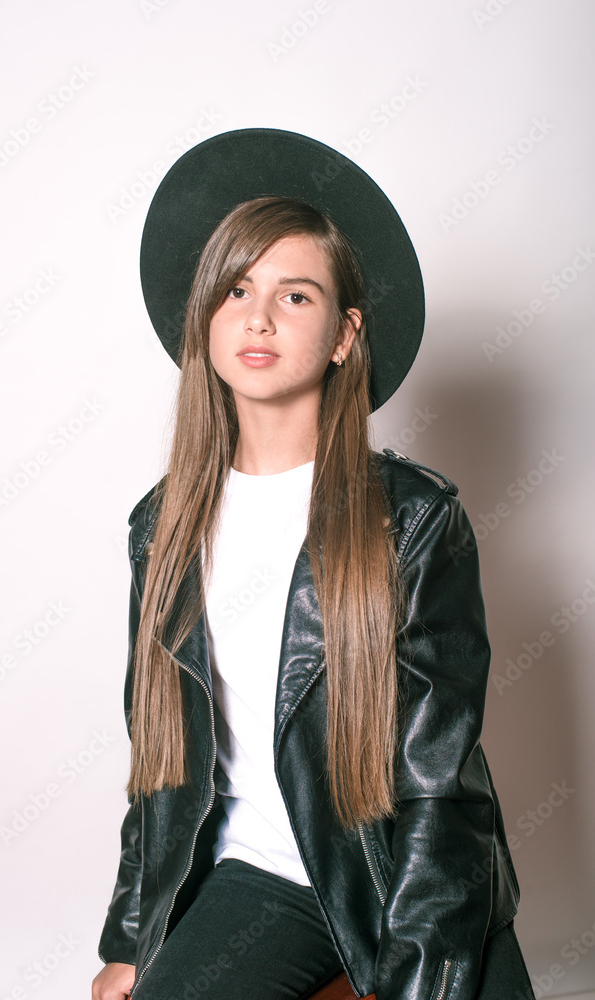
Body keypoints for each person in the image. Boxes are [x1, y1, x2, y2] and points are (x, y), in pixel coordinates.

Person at [91, 129, 534, 1000]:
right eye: (235, 289)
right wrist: (131, 939)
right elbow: (160, 763)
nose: (257, 316)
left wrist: (424, 981)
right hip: (259, 881)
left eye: (296, 296)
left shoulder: (412, 518)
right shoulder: (164, 527)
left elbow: (438, 789)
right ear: (206, 322)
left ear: (343, 333)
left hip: (404, 882)